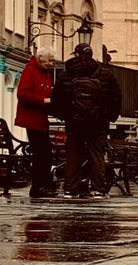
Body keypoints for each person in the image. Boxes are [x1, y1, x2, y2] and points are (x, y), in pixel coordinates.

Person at [51, 43, 121, 197]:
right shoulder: (106, 74)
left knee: (73, 154)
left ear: (76, 54)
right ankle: (98, 189)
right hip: (98, 122)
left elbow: (56, 100)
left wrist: (66, 115)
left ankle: (71, 189)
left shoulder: (66, 74)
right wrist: (108, 116)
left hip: (74, 121)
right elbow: (116, 98)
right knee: (96, 155)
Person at [15, 47, 58, 198]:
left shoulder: (45, 73)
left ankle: (44, 185)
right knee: (41, 154)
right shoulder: (30, 71)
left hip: (41, 119)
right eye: (50, 61)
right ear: (41, 58)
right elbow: (22, 94)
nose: (52, 64)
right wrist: (44, 101)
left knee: (45, 154)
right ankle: (38, 187)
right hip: (32, 119)